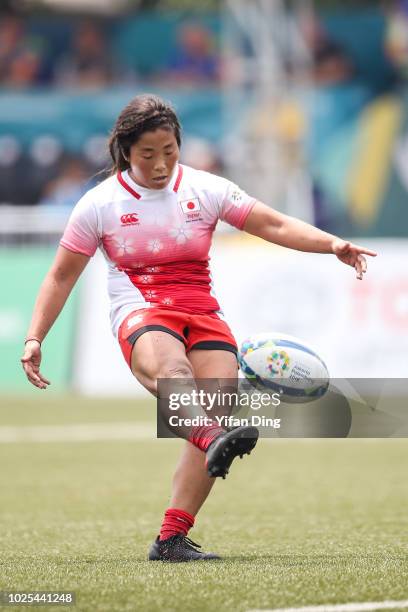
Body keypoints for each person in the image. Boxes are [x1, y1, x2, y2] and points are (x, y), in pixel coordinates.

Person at [21, 94, 376, 562]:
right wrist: (34, 336)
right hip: (142, 310)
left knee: (217, 404)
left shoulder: (205, 188)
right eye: (148, 154)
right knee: (175, 375)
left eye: (169, 151)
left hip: (202, 313)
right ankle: (213, 440)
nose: (161, 163)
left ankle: (171, 540)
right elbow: (61, 275)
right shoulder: (99, 204)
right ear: (126, 151)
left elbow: (271, 223)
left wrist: (331, 244)